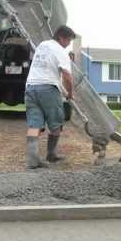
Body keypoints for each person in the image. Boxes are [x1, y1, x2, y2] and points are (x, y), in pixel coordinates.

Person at [24, 25, 76, 169]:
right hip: (48, 88)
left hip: (30, 87)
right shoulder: (61, 51)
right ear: (61, 38)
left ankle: (32, 160)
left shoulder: (42, 45)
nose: (68, 44)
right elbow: (67, 76)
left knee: (34, 124)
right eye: (68, 41)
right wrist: (70, 94)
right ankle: (51, 154)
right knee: (56, 123)